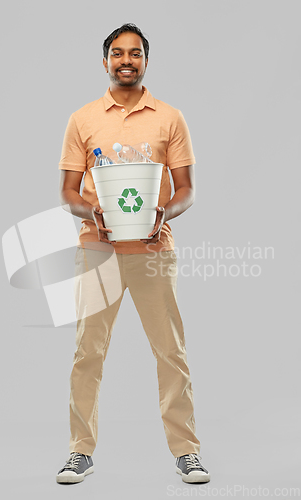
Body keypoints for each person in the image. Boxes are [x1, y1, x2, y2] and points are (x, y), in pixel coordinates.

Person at [56, 23, 210, 485]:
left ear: (146, 61)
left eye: (136, 53)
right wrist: (93, 213)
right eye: (118, 53)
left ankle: (187, 452)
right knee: (88, 353)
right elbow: (67, 191)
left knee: (170, 352)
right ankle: (79, 451)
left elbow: (185, 189)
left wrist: (164, 213)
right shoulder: (83, 119)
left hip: (152, 250)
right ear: (105, 61)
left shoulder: (169, 118)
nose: (127, 60)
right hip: (97, 251)